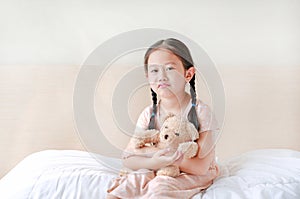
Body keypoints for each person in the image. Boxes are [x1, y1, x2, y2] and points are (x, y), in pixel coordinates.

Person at [107, 38, 220, 199]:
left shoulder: (201, 112)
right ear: (147, 77)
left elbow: (200, 167)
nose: (161, 77)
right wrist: (153, 162)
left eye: (169, 69)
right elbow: (128, 158)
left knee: (161, 185)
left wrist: (155, 153)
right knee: (130, 183)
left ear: (188, 74)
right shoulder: (149, 114)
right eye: (154, 71)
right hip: (156, 167)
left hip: (190, 173)